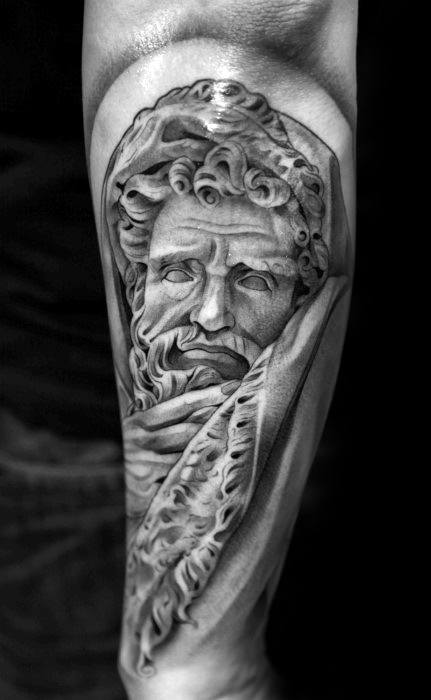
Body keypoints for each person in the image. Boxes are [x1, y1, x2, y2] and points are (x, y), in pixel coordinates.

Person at [84, 2, 357, 697]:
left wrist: (195, 665)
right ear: (139, 274)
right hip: (62, 444)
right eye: (179, 271)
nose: (209, 316)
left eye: (254, 279)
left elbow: (258, 16)